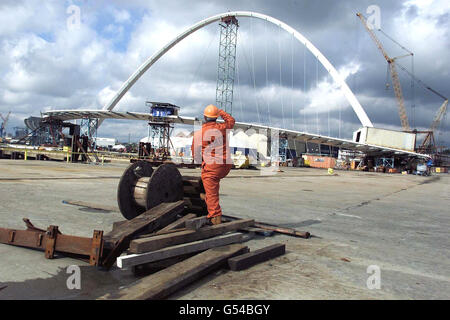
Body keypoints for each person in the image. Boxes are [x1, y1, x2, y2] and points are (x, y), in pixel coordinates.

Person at [191, 104, 235, 225]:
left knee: (212, 193)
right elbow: (231, 120)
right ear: (216, 117)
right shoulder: (223, 127)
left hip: (213, 168)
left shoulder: (200, 133)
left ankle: (215, 219)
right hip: (226, 166)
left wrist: (201, 164)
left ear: (205, 117)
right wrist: (221, 111)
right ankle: (205, 197)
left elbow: (195, 153)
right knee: (209, 188)